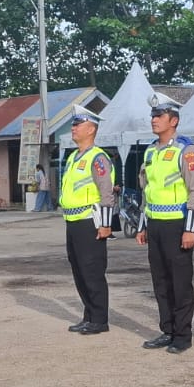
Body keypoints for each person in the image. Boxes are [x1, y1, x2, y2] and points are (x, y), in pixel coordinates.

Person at [137, 92, 194, 353]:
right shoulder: (150, 151)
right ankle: (167, 330)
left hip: (177, 225)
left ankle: (182, 335)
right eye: (153, 115)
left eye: (159, 115)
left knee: (180, 282)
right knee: (160, 281)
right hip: (155, 224)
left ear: (173, 120)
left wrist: (190, 229)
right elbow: (147, 190)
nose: (154, 119)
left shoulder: (185, 151)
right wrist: (143, 224)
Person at [59, 109, 117, 335]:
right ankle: (89, 315)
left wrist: (105, 224)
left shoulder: (98, 158)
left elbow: (106, 192)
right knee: (79, 270)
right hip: (72, 220)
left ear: (91, 129)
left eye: (78, 124)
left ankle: (100, 319)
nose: (73, 128)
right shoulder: (74, 156)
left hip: (89, 221)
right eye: (73, 124)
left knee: (92, 270)